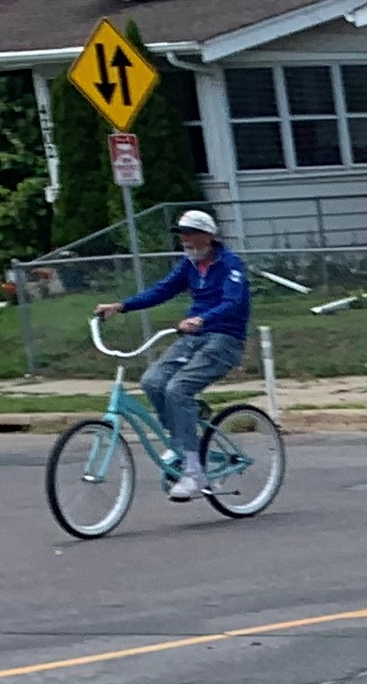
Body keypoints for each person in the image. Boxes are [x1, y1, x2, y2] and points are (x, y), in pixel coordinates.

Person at [96, 209, 251, 500]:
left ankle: (194, 472)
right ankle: (183, 442)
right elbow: (162, 290)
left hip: (225, 338)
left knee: (178, 388)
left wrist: (202, 319)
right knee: (153, 381)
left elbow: (233, 302)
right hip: (194, 335)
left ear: (209, 236)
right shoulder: (189, 265)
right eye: (182, 234)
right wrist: (121, 306)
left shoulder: (230, 265)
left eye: (191, 233)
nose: (186, 240)